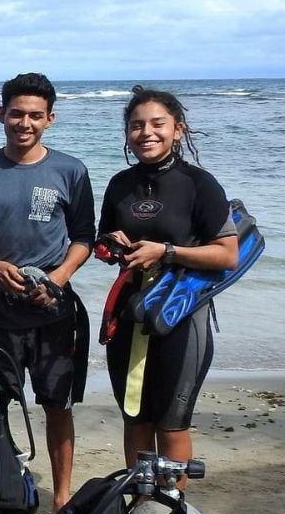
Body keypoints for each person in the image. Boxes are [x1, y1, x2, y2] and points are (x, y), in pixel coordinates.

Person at [0, 72, 94, 512]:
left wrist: (57, 279)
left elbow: (84, 238)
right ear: (2, 115)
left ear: (50, 119)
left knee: (58, 405)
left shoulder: (70, 170)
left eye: (35, 115)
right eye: (16, 113)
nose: (25, 122)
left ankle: (63, 495)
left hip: (53, 310)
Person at [99, 86, 237, 471]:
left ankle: (168, 510)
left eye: (157, 124)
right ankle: (140, 505)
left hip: (180, 316)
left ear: (177, 129)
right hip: (130, 315)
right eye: (136, 125)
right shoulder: (119, 185)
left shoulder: (198, 183)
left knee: (171, 424)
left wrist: (168, 252)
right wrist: (110, 245)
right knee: (135, 418)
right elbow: (107, 244)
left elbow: (227, 254)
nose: (147, 133)